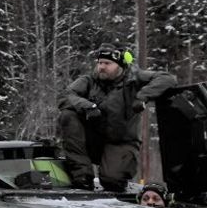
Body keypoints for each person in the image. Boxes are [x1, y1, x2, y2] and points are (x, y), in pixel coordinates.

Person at [57, 47, 177, 192]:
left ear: (120, 66)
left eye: (107, 64)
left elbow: (167, 78)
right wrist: (88, 106)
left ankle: (113, 174)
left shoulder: (134, 78)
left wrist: (142, 96)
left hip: (121, 141)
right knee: (68, 115)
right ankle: (82, 176)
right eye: (100, 63)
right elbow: (66, 95)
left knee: (112, 182)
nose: (102, 67)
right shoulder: (89, 80)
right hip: (93, 140)